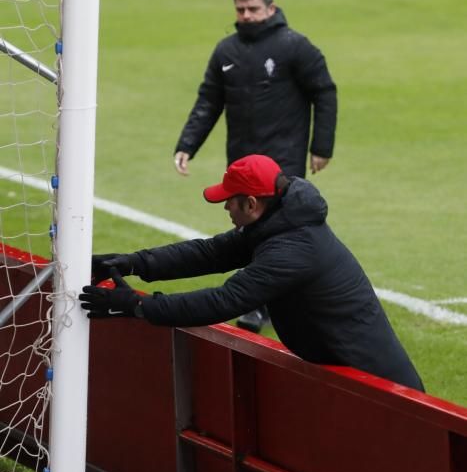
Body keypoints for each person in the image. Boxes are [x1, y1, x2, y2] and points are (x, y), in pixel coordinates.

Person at [80, 155, 424, 392]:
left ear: (251, 204)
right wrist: (133, 262)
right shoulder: (278, 223)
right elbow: (210, 253)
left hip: (380, 388)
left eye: (230, 200)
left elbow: (223, 301)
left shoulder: (292, 249)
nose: (226, 207)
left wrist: (137, 306)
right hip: (346, 376)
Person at [173, 0, 337, 334]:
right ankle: (265, 301)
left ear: (271, 8)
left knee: (275, 230)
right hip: (242, 164)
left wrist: (321, 147)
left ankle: (259, 305)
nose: (246, 16)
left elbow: (324, 91)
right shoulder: (226, 51)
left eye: (253, 9)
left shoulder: (294, 46)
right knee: (249, 229)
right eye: (240, 10)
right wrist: (188, 144)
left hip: (283, 161)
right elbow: (209, 100)